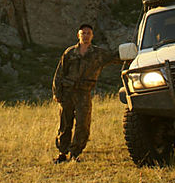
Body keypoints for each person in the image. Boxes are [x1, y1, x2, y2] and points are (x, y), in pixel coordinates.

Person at [51, 23, 122, 163]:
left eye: (88, 33)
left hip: (83, 93)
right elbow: (59, 73)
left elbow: (116, 57)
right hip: (68, 93)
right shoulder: (70, 53)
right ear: (78, 35)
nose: (86, 35)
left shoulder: (98, 54)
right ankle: (62, 153)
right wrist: (56, 93)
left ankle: (75, 153)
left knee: (83, 124)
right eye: (83, 33)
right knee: (65, 124)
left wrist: (132, 54)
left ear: (92, 36)